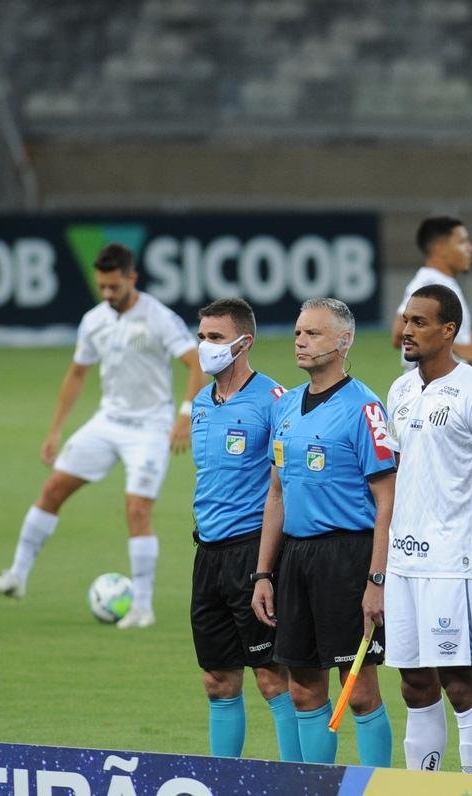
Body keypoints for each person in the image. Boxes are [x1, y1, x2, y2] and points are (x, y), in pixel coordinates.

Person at [0, 242, 203, 630]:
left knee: (137, 511)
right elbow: (77, 374)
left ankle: (143, 607)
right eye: (101, 286)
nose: (106, 294)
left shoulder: (158, 317)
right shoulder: (94, 320)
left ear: (132, 278)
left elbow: (196, 363)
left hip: (150, 427)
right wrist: (55, 430)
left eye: (113, 287)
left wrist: (184, 414)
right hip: (108, 422)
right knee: (52, 490)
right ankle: (17, 575)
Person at [250, 297, 395, 767]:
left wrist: (377, 580)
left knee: (359, 691)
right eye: (297, 332)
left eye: (312, 333)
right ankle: (310, 784)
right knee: (302, 688)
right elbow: (276, 495)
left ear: (343, 341)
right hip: (295, 559)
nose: (301, 341)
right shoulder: (286, 407)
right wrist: (263, 573)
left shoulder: (365, 408)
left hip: (347, 559)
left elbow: (387, 498)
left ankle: (374, 785)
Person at [385, 284, 472, 773]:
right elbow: (394, 479)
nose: (406, 331)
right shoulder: (400, 390)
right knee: (413, 682)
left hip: (454, 562)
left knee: (459, 682)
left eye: (419, 322)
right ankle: (423, 785)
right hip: (401, 561)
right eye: (406, 320)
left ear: (448, 330)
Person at [188, 298, 301, 761]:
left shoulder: (275, 401)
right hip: (208, 553)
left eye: (215, 338)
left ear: (243, 342)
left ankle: (301, 781)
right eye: (201, 337)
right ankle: (222, 779)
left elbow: (288, 483)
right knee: (217, 680)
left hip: (253, 552)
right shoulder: (200, 400)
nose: (205, 347)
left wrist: (267, 567)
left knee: (273, 677)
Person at [390, 216, 472, 368]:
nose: (470, 248)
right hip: (428, 387)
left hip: (444, 385)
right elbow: (399, 332)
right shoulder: (429, 283)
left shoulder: (443, 282)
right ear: (440, 249)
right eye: (462, 242)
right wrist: (461, 349)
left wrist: (465, 345)